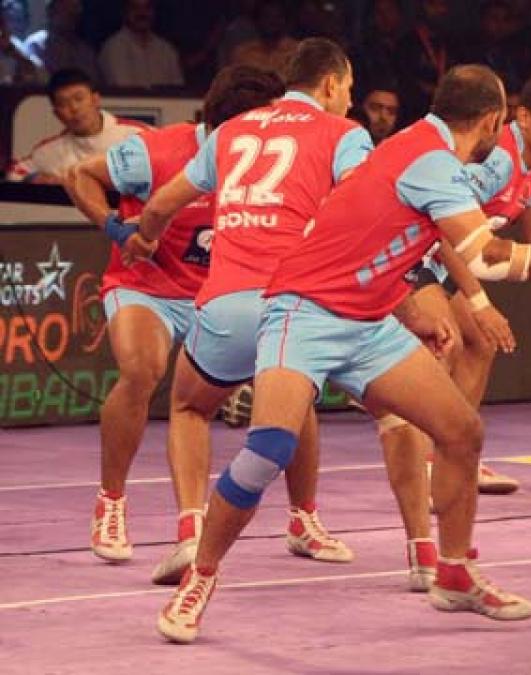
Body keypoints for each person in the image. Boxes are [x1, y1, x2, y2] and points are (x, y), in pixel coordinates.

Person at [153, 64, 531, 644]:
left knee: (461, 432)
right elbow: (485, 257)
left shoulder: (423, 148)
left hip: (369, 318)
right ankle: (199, 577)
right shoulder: (430, 162)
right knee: (270, 447)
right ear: (495, 121)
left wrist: (410, 306)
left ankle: (452, 573)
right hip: (305, 311)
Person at [119, 39, 369, 583]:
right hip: (299, 305)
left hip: (228, 303)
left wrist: (144, 240)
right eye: (349, 87)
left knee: (188, 408)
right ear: (330, 85)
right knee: (300, 403)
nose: (351, 98)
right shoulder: (344, 133)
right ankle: (313, 522)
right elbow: (364, 205)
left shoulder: (230, 132)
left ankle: (190, 531)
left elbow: (160, 204)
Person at [61, 65, 285, 579]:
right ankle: (111, 501)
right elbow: (80, 176)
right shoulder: (156, 150)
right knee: (141, 370)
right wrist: (118, 231)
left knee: (289, 380)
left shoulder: (262, 161)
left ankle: (304, 517)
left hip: (217, 294)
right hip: (147, 288)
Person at [373, 72, 531, 569]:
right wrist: (479, 301)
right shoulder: (496, 157)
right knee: (453, 341)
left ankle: (452, 458)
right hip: (426, 258)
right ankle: (437, 462)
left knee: (478, 344)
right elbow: (448, 231)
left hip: (448, 261)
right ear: (520, 117)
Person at [6, 68, 144, 184]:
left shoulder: (136, 135)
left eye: (79, 99)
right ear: (57, 114)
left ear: (95, 100)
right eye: (64, 103)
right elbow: (14, 173)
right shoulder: (49, 150)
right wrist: (37, 178)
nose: (74, 108)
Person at [98, 0, 184, 88]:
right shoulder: (113, 49)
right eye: (135, 8)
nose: (142, 13)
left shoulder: (167, 51)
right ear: (125, 12)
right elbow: (125, 93)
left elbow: (178, 94)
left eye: (147, 7)